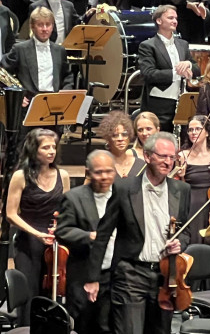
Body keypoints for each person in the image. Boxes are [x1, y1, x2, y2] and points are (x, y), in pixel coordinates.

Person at [85, 132, 191, 334]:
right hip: (130, 274)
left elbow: (186, 232)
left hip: (165, 277)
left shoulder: (182, 189)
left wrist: (181, 243)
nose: (168, 162)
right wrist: (93, 277)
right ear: (148, 156)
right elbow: (103, 234)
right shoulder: (124, 188)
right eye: (162, 156)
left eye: (172, 157)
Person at [55, 150, 116, 334]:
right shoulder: (74, 198)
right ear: (88, 172)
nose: (104, 177)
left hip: (116, 275)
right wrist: (89, 236)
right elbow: (62, 231)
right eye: (98, 172)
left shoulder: (123, 194)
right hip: (83, 274)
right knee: (85, 325)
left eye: (108, 171)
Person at [5, 128, 69, 298]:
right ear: (34, 150)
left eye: (53, 147)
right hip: (28, 241)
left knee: (51, 294)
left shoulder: (63, 175)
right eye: (45, 148)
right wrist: (37, 234)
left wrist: (59, 229)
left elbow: (66, 210)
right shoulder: (20, 176)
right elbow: (11, 214)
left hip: (54, 241)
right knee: (30, 293)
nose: (51, 152)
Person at [138, 5, 196, 132]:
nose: (175, 21)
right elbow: (148, 74)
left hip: (181, 101)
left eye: (176, 18)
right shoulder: (148, 46)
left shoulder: (183, 44)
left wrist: (188, 64)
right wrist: (177, 72)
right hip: (159, 104)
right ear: (159, 21)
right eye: (170, 18)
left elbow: (197, 69)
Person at [173, 115, 210, 245]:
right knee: (193, 240)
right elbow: (180, 188)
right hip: (191, 203)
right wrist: (181, 175)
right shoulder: (182, 155)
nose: (193, 133)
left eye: (197, 129)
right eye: (190, 130)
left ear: (207, 132)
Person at [0, 7, 71, 100]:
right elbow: (1, 71)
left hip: (54, 100)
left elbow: (67, 75)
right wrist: (17, 95)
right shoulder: (20, 49)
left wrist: (65, 94)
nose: (45, 29)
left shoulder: (59, 50)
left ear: (52, 26)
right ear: (32, 27)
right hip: (29, 101)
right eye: (40, 25)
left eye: (48, 24)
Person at [98, 111, 146, 179]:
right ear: (108, 138)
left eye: (124, 134)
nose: (120, 139)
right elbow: (86, 189)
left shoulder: (140, 165)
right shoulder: (100, 164)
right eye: (115, 135)